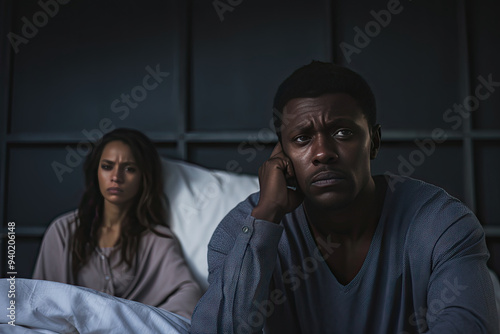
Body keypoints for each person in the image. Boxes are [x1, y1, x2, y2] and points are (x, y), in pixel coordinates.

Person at [190, 61, 499, 333]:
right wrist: (266, 215)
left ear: (374, 142)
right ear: (281, 154)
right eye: (302, 138)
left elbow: (469, 326)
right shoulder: (240, 231)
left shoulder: (441, 221)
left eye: (342, 133)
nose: (323, 153)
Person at [33, 128, 202, 319]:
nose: (116, 177)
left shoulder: (157, 240)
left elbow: (189, 295)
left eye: (129, 168)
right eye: (107, 166)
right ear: (96, 171)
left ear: (143, 177)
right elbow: (40, 300)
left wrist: (140, 322)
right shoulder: (63, 231)